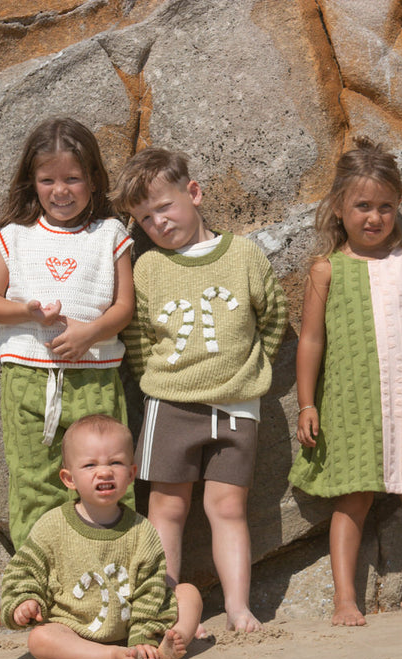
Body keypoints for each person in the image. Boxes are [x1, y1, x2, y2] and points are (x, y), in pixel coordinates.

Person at [288, 138, 402, 626]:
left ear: (398, 208)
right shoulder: (326, 270)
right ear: (339, 209)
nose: (374, 217)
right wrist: (307, 403)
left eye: (385, 207)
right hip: (350, 405)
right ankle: (345, 597)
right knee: (353, 497)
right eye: (362, 206)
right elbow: (310, 343)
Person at [112, 148, 288, 633]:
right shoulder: (147, 269)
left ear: (193, 193)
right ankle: (166, 607)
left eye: (164, 207)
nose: (158, 223)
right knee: (165, 508)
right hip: (169, 405)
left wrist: (251, 367)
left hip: (237, 406)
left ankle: (237, 607)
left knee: (228, 508)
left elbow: (273, 316)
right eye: (145, 218)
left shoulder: (245, 256)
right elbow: (137, 337)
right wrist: (160, 382)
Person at [0, 117, 135, 549]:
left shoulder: (110, 235)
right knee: (34, 482)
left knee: (109, 482)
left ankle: (114, 574)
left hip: (95, 378)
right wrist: (24, 311)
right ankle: (38, 585)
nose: (60, 190)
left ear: (93, 181)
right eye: (47, 180)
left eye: (73, 179)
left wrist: (90, 333)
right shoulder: (14, 237)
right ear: (32, 182)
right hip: (28, 379)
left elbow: (124, 307)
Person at [1, 414, 202, 659]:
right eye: (90, 465)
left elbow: (150, 589)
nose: (104, 471)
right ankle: (111, 657)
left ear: (131, 474)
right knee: (39, 639)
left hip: (132, 627)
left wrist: (143, 635)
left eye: (115, 462)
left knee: (187, 593)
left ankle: (173, 641)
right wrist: (25, 600)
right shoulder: (52, 525)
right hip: (71, 629)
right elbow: (24, 570)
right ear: (69, 478)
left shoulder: (142, 530)